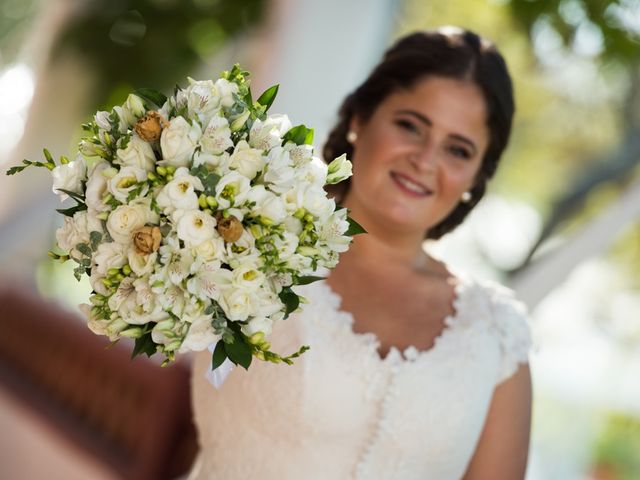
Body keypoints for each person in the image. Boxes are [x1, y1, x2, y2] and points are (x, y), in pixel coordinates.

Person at [187, 27, 533, 480]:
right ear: (360, 119)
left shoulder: (496, 333)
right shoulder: (247, 244)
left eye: (458, 150)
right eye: (411, 125)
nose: (426, 161)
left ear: (475, 177)